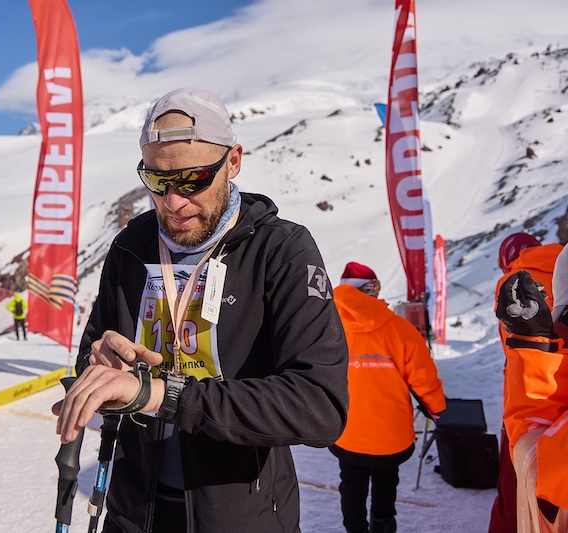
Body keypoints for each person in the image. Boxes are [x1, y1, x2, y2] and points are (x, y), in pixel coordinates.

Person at [52, 88, 350, 533]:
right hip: (135, 512)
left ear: (233, 162)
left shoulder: (281, 250)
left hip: (240, 517)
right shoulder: (131, 248)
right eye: (157, 181)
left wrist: (163, 395)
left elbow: (319, 407)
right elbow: (91, 354)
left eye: (192, 180)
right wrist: (99, 364)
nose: (173, 202)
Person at [330, 261, 446, 533]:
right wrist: (437, 408)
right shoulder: (400, 329)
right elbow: (424, 379)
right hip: (390, 434)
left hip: (347, 430)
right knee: (385, 482)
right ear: (373, 289)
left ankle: (355, 529)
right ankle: (382, 526)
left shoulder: (329, 328)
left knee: (351, 484)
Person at [490, 233, 563, 533]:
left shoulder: (510, 282)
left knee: (517, 483)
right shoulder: (563, 265)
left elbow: (513, 347)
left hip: (534, 388)